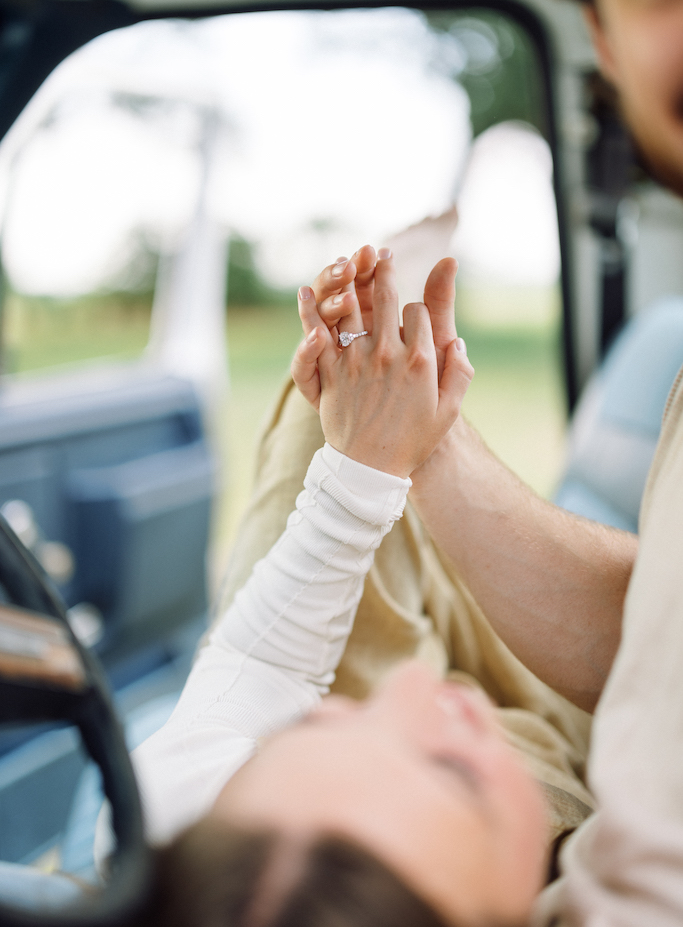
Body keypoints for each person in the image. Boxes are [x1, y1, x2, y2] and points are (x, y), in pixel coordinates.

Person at [115, 252, 557, 927]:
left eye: (322, 724)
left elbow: (260, 665)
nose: (411, 692)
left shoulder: (157, 822)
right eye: (452, 775)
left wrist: (366, 467)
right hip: (558, 734)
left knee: (329, 406)